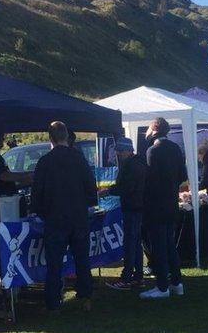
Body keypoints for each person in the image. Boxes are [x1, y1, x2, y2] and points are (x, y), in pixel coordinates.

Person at [31, 121, 97, 311]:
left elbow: (37, 192)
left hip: (55, 218)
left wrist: (40, 211)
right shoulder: (79, 158)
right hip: (78, 217)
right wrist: (89, 203)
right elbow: (90, 185)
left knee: (54, 263)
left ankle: (53, 302)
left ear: (50, 138)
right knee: (82, 260)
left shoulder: (45, 161)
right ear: (67, 136)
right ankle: (86, 298)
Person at [140, 117, 188, 300]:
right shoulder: (175, 148)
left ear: (154, 129)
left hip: (156, 206)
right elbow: (182, 175)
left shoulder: (153, 151)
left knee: (159, 248)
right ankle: (177, 283)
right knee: (170, 246)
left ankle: (162, 287)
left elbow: (150, 182)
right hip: (171, 204)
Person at [105, 137, 147, 290]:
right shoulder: (138, 163)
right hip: (136, 207)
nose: (118, 154)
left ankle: (127, 277)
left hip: (133, 207)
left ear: (129, 151)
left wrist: (110, 190)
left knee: (130, 242)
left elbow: (127, 187)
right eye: (117, 151)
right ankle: (138, 276)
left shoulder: (131, 165)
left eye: (121, 151)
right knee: (135, 242)